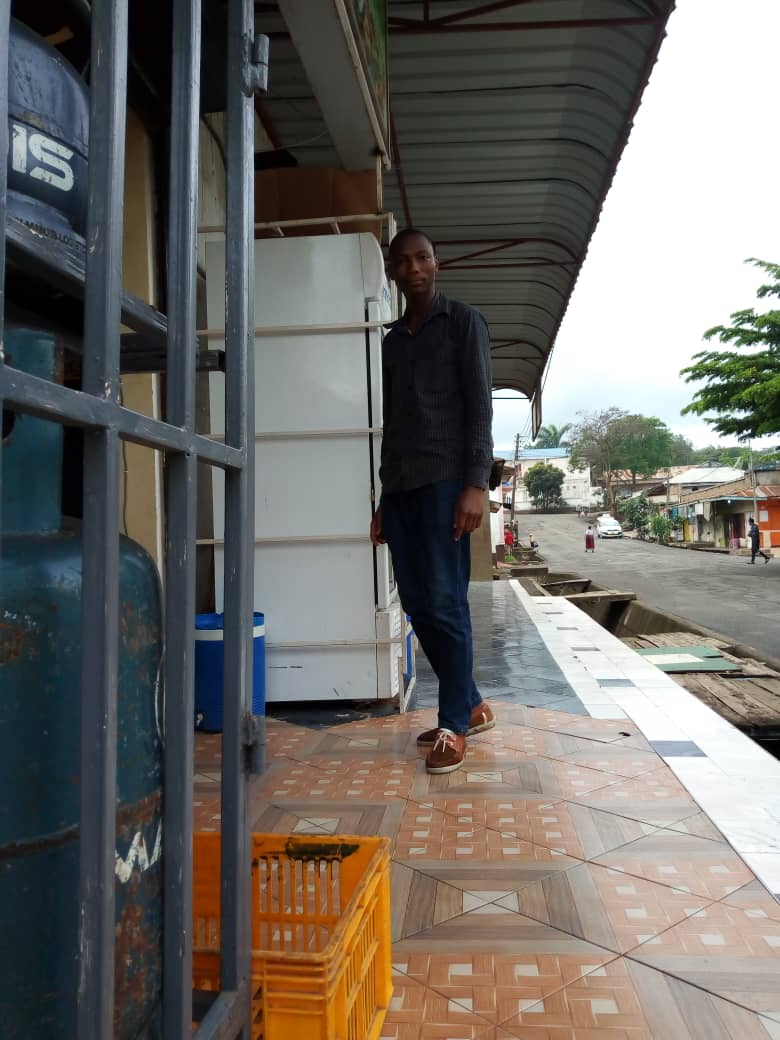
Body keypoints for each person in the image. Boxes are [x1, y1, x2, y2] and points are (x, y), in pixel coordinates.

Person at [370, 228, 495, 775]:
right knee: (418, 604)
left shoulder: (464, 323)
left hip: (448, 483)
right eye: (403, 261)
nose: (413, 268)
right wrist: (382, 498)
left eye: (422, 258)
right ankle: (469, 701)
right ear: (393, 272)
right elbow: (392, 424)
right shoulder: (392, 341)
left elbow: (480, 408)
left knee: (446, 601)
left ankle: (454, 724)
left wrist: (476, 484)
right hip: (401, 487)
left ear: (436, 264)